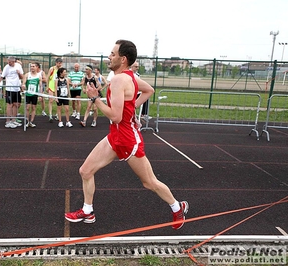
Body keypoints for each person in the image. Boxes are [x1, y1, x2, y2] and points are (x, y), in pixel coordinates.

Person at [65, 40, 189, 230]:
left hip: (127, 140)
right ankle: (87, 211)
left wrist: (95, 100)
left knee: (149, 183)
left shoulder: (119, 80)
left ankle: (177, 206)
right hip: (115, 137)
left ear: (123, 59)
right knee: (85, 171)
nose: (109, 57)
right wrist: (131, 111)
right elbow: (149, 91)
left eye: (113, 54)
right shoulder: (128, 76)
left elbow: (115, 116)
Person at [0, 56, 24, 129]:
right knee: (9, 105)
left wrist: (19, 73)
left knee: (17, 104)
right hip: (9, 88)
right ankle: (7, 121)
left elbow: (21, 77)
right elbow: (1, 77)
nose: (8, 63)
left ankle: (13, 120)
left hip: (16, 88)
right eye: (8, 62)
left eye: (10, 62)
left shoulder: (18, 66)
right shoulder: (6, 67)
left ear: (14, 61)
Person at [22, 62, 42, 128]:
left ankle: (31, 121)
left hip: (35, 94)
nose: (32, 68)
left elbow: (40, 86)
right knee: (27, 107)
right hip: (28, 94)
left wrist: (40, 95)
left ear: (37, 67)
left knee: (33, 108)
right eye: (31, 66)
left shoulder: (39, 76)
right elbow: (23, 83)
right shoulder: (27, 75)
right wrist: (23, 85)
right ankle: (27, 121)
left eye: (33, 66)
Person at [46, 58, 63, 122]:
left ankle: (57, 114)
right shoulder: (52, 68)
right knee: (51, 100)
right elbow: (47, 78)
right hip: (51, 86)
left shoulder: (61, 69)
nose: (60, 64)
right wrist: (47, 86)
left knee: (58, 101)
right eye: (59, 63)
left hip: (58, 86)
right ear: (56, 63)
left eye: (61, 63)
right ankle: (50, 115)